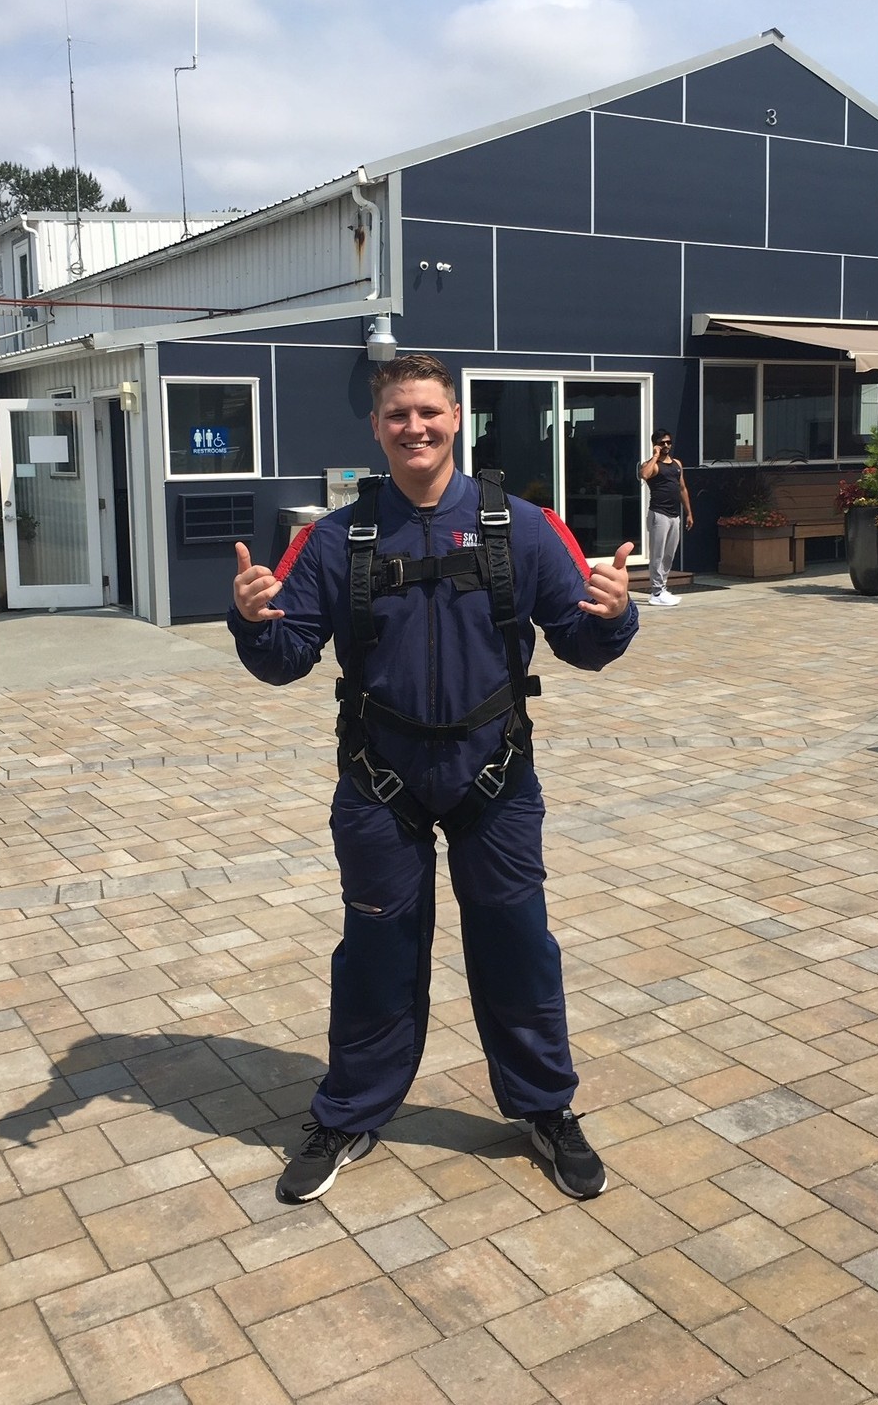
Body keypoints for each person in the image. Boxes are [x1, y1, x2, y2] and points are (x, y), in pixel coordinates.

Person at [229, 353, 638, 1205]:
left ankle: (546, 1108)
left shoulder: (525, 527)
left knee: (519, 947)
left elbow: (580, 640)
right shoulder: (336, 538)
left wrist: (615, 613)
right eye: (396, 417)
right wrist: (254, 621)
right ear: (377, 429)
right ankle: (350, 1111)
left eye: (428, 412)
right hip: (381, 781)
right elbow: (287, 657)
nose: (414, 428)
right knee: (375, 953)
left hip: (496, 780)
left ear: (457, 416)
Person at [639, 428, 693, 606]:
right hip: (658, 514)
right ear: (656, 444)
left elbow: (682, 488)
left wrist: (689, 513)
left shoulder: (677, 464)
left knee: (669, 554)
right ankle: (655, 592)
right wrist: (655, 455)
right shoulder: (652, 465)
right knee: (657, 554)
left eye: (668, 442)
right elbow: (644, 475)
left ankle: (662, 587)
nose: (666, 445)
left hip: (674, 515)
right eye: (662, 443)